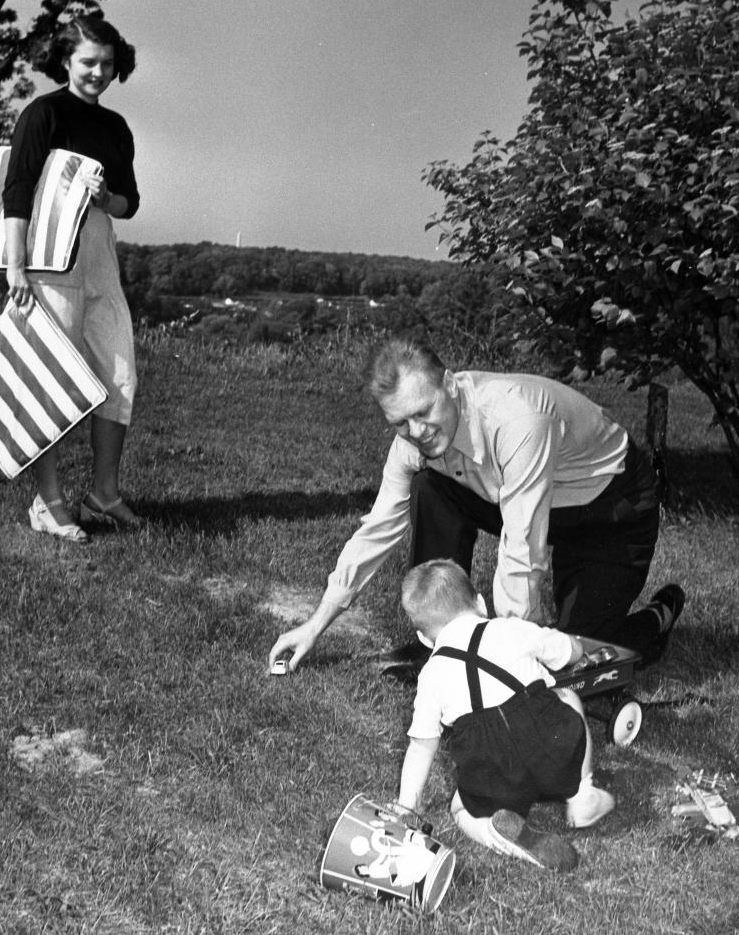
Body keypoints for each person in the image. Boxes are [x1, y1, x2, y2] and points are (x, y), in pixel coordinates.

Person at [268, 336, 683, 670]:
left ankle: (657, 617)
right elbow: (376, 530)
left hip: (612, 506)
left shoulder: (518, 419)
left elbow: (522, 550)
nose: (417, 431)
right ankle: (441, 636)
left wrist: (507, 659)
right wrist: (314, 626)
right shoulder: (412, 443)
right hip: (533, 500)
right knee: (430, 485)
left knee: (577, 660)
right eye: (400, 423)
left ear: (450, 385)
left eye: (423, 411)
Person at [4, 13, 143, 542]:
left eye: (107, 63)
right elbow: (15, 192)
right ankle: (49, 501)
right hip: (45, 254)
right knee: (49, 377)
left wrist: (106, 198)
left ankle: (103, 493)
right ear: (66, 60)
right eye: (88, 61)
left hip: (98, 249)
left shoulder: (115, 127)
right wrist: (16, 267)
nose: (98, 72)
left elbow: (130, 203)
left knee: (119, 372)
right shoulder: (43, 113)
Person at [393, 560, 614, 871]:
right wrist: (576, 648)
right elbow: (567, 651)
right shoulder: (511, 628)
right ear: (481, 603)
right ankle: (582, 792)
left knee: (460, 809)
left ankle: (493, 832)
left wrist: (407, 808)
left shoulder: (431, 674)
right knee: (567, 697)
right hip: (552, 752)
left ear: (425, 639)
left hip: (495, 775)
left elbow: (421, 746)